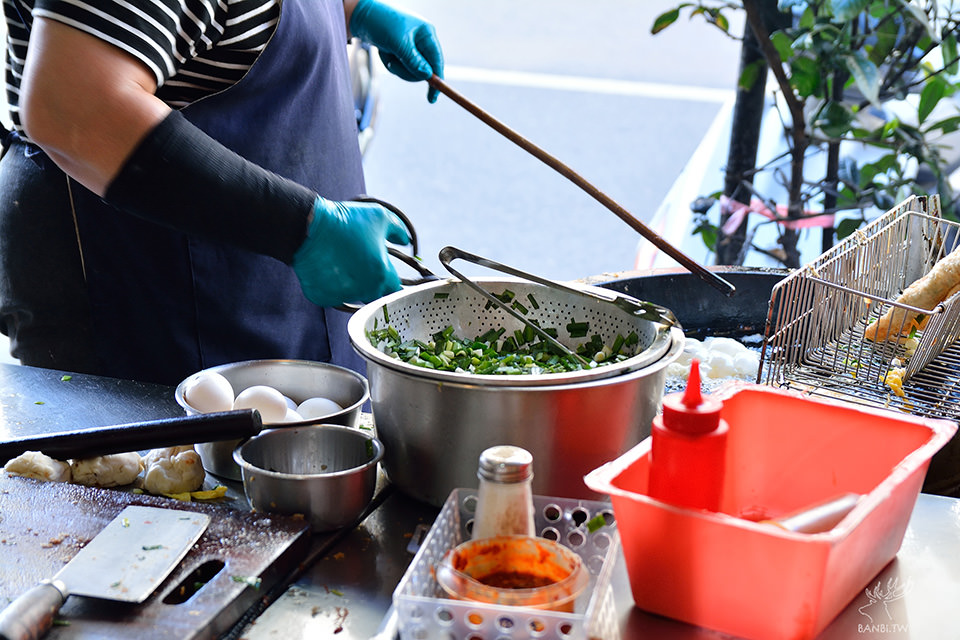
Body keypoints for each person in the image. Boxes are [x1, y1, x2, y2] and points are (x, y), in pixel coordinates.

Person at [0, 0, 444, 385]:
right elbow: (71, 106)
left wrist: (351, 10)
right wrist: (303, 228)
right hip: (155, 305)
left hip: (261, 297)